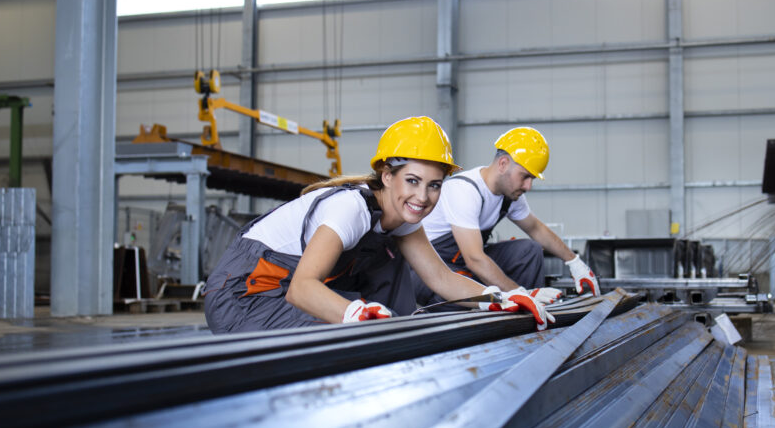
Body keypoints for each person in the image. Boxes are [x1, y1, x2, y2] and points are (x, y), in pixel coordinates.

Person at [203, 116, 553, 334]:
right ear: (387, 176)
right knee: (348, 337)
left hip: (286, 292)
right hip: (245, 296)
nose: (423, 197)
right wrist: (352, 313)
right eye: (413, 181)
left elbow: (442, 279)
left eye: (434, 185)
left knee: (390, 286)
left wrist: (504, 299)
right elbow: (301, 290)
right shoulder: (350, 208)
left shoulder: (401, 218)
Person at [414, 126, 599, 306]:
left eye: (532, 179)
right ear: (503, 164)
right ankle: (519, 302)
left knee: (529, 251)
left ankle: (526, 315)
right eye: (525, 177)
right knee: (463, 293)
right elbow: (475, 258)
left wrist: (574, 262)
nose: (528, 186)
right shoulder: (466, 190)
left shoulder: (509, 196)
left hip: (465, 263)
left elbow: (536, 229)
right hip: (431, 268)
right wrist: (520, 292)